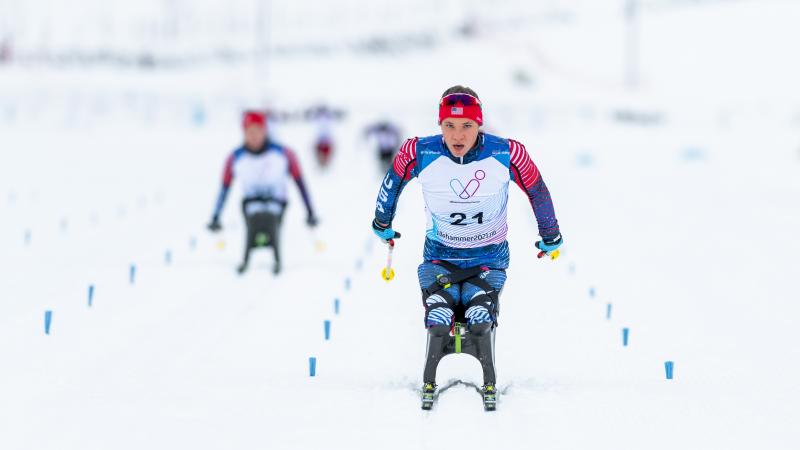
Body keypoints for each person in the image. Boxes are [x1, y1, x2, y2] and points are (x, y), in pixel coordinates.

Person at [370, 86, 562, 410]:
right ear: (440, 124)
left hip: (489, 261)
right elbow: (393, 182)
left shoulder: (507, 153)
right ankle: (430, 372)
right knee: (439, 314)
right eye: (449, 126)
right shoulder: (419, 152)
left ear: (480, 125)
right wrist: (382, 223)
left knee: (479, 315)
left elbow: (537, 189)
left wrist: (550, 234)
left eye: (467, 126)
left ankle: (488, 370)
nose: (458, 135)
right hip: (439, 260)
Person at [208, 110, 318, 274]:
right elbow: (224, 188)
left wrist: (310, 212)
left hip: (277, 202)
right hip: (250, 202)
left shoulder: (284, 154)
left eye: (257, 131)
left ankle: (276, 257)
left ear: (264, 131)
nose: (254, 136)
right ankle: (247, 258)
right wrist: (216, 216)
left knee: (269, 218)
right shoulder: (235, 157)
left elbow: (300, 183)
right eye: (249, 132)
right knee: (254, 217)